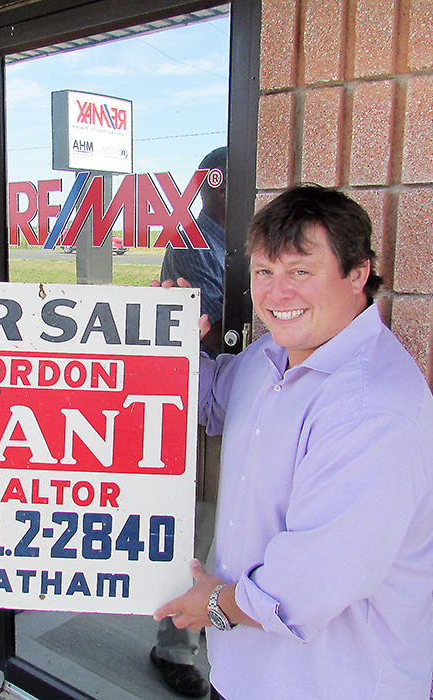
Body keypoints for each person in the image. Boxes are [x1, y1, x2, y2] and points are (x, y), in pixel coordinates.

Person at [153, 185, 433, 700]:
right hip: (242, 674)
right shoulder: (269, 356)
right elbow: (214, 399)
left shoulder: (371, 410)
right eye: (264, 272)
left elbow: (304, 589)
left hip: (331, 685)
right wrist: (166, 341)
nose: (276, 293)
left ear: (357, 272)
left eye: (300, 271)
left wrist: (211, 607)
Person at [150, 147, 226, 698]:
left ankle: (222, 628)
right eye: (210, 183)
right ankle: (174, 648)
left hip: (243, 391)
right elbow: (210, 312)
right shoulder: (192, 239)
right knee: (196, 524)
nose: (209, 192)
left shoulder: (242, 235)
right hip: (198, 398)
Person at [159, 146, 226, 356]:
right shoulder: (193, 245)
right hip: (210, 377)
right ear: (222, 191)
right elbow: (214, 333)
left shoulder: (226, 241)